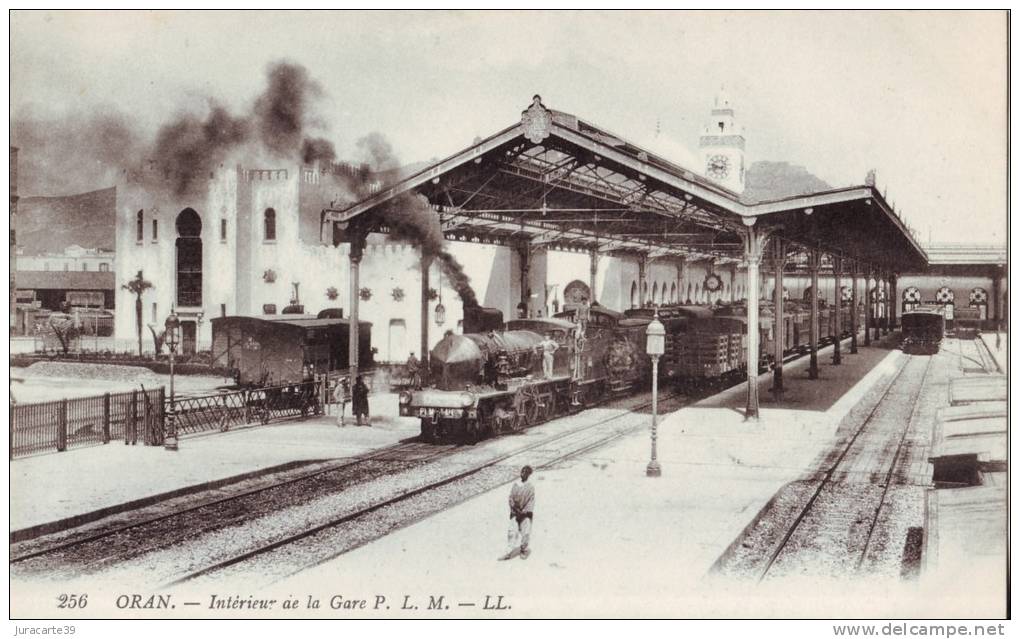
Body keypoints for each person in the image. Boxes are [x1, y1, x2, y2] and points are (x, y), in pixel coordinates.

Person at [500, 465, 535, 560]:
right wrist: (514, 508)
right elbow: (510, 498)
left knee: (526, 533)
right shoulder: (516, 485)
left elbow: (530, 502)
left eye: (525, 472)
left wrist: (524, 512)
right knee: (512, 532)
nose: (522, 474)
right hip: (515, 512)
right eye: (522, 472)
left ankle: (523, 550)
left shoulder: (530, 487)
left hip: (525, 514)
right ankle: (508, 552)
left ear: (528, 474)